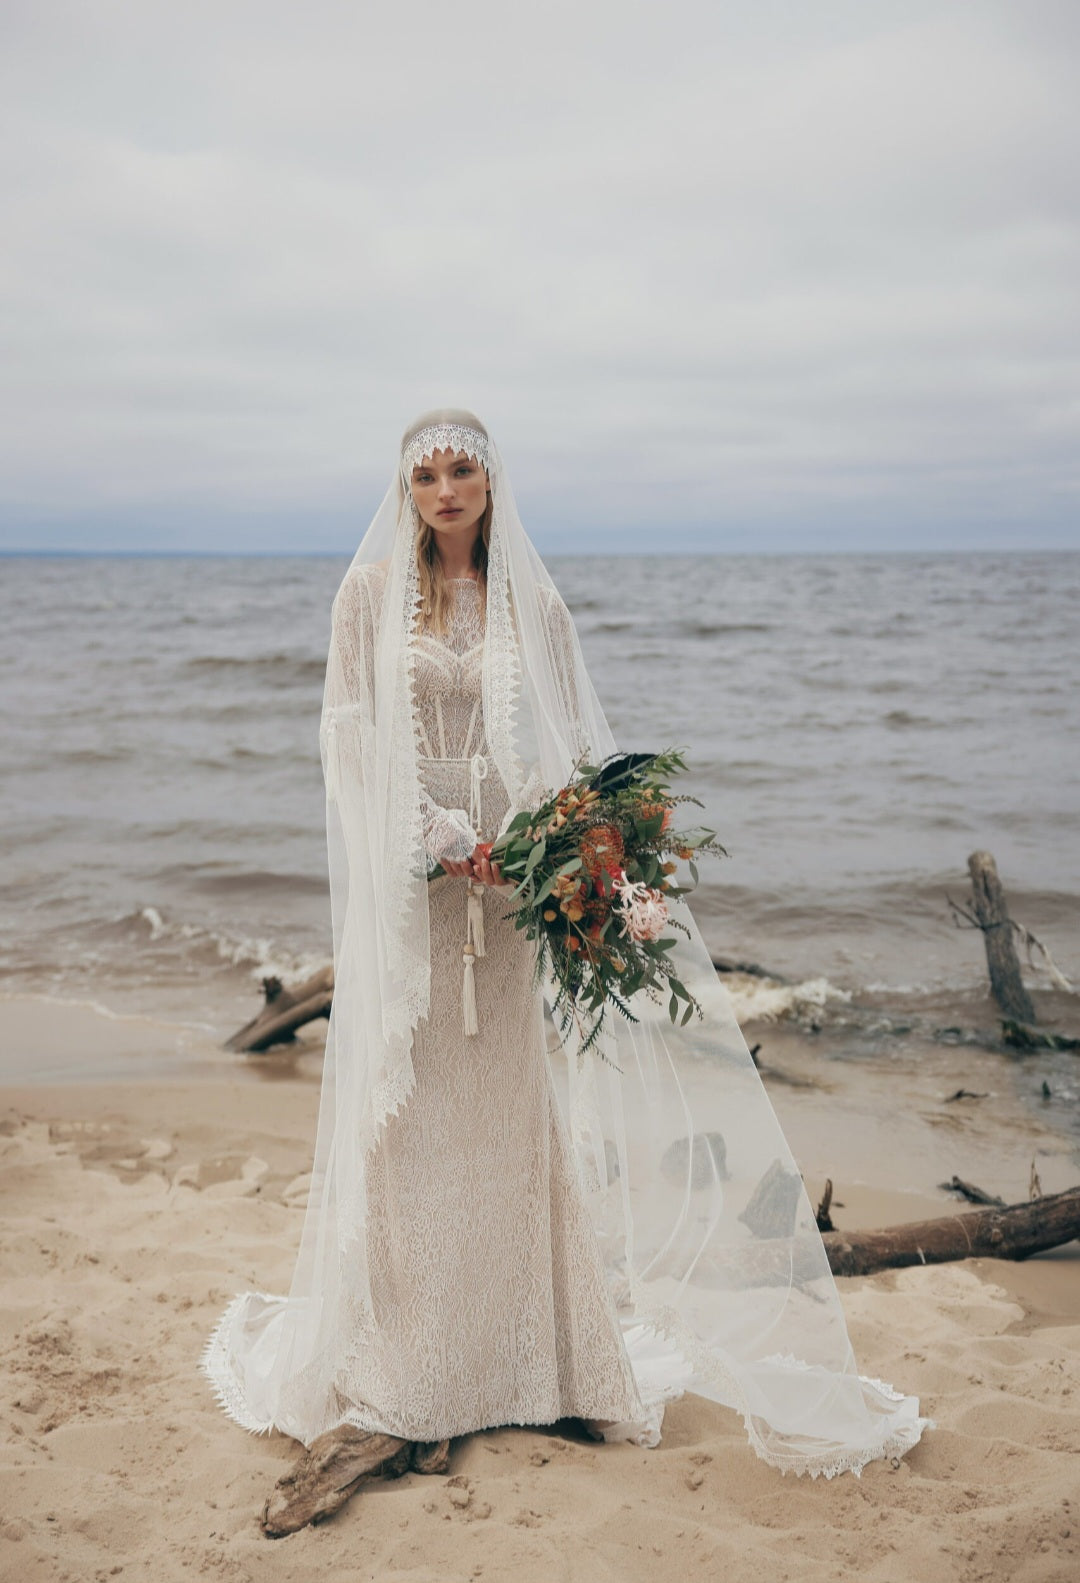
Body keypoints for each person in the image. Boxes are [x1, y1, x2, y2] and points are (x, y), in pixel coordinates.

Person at [201, 409, 933, 1484]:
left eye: (463, 470)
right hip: (413, 881)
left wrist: (547, 851)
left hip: (510, 883)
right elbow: (345, 730)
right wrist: (419, 838)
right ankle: (421, 1361)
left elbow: (569, 741)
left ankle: (534, 1361)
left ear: (492, 481)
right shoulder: (368, 595)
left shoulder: (529, 598)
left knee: (509, 1109)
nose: (445, 489)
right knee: (410, 1121)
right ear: (405, 490)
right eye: (426, 475)